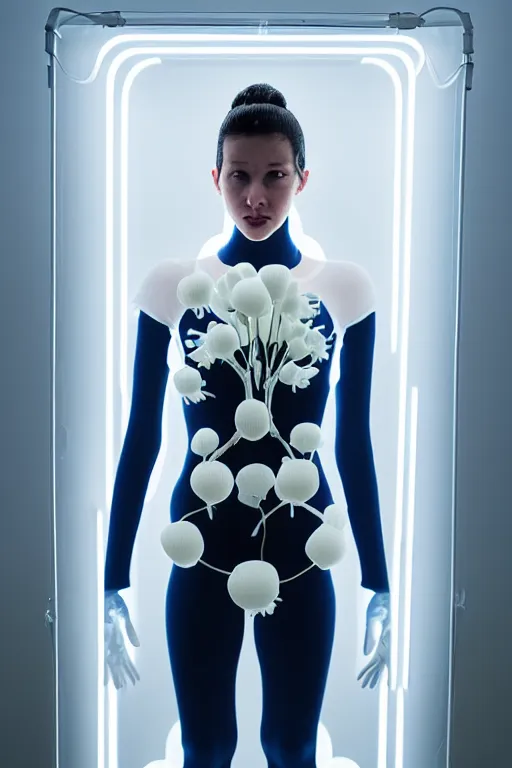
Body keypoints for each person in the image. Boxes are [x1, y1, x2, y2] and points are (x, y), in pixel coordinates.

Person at [104, 83, 391, 768]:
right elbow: (140, 436)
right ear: (216, 177)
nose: (256, 197)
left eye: (275, 176)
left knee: (291, 747)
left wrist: (378, 582)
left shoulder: (344, 289)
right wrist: (111, 579)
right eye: (239, 176)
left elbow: (353, 445)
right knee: (207, 748)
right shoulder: (171, 286)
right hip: (201, 544)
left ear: (302, 177)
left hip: (301, 547)